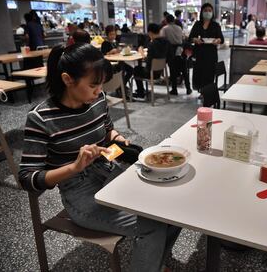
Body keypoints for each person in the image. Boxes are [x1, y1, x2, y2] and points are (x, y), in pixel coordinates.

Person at [18, 43, 181, 271]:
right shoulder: (41, 118)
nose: (98, 91)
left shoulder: (97, 99)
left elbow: (106, 133)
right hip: (79, 192)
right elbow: (27, 179)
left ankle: (155, 264)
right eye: (93, 85)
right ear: (67, 79)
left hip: (108, 172)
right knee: (153, 226)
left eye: (101, 85)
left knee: (175, 209)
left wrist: (119, 138)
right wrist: (74, 167)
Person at [188, 3, 224, 92]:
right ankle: (200, 91)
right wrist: (195, 40)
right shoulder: (197, 24)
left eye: (209, 11)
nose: (208, 12)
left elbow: (221, 38)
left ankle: (207, 92)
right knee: (199, 73)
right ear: (202, 12)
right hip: (199, 53)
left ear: (212, 12)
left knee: (209, 73)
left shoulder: (215, 25)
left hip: (211, 54)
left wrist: (217, 40)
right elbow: (190, 38)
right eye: (205, 10)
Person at [133, 23, 171, 98]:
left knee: (136, 69)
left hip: (151, 73)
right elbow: (169, 56)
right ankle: (142, 90)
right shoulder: (166, 42)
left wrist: (142, 54)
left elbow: (149, 62)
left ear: (150, 33)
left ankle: (140, 92)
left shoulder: (153, 44)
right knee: (139, 68)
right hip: (160, 72)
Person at [161, 14, 192, 95]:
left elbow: (162, 39)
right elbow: (183, 38)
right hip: (181, 50)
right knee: (184, 71)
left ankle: (174, 89)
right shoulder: (179, 28)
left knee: (173, 71)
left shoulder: (165, 28)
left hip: (171, 51)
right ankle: (188, 89)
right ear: (173, 20)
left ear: (166, 20)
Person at [101, 25, 133, 98]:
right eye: (111, 34)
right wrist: (110, 52)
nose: (113, 36)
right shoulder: (105, 43)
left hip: (119, 61)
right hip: (111, 64)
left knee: (131, 70)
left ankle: (122, 85)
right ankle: (121, 89)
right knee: (121, 70)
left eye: (114, 34)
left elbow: (118, 51)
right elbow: (103, 55)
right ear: (107, 34)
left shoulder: (115, 42)